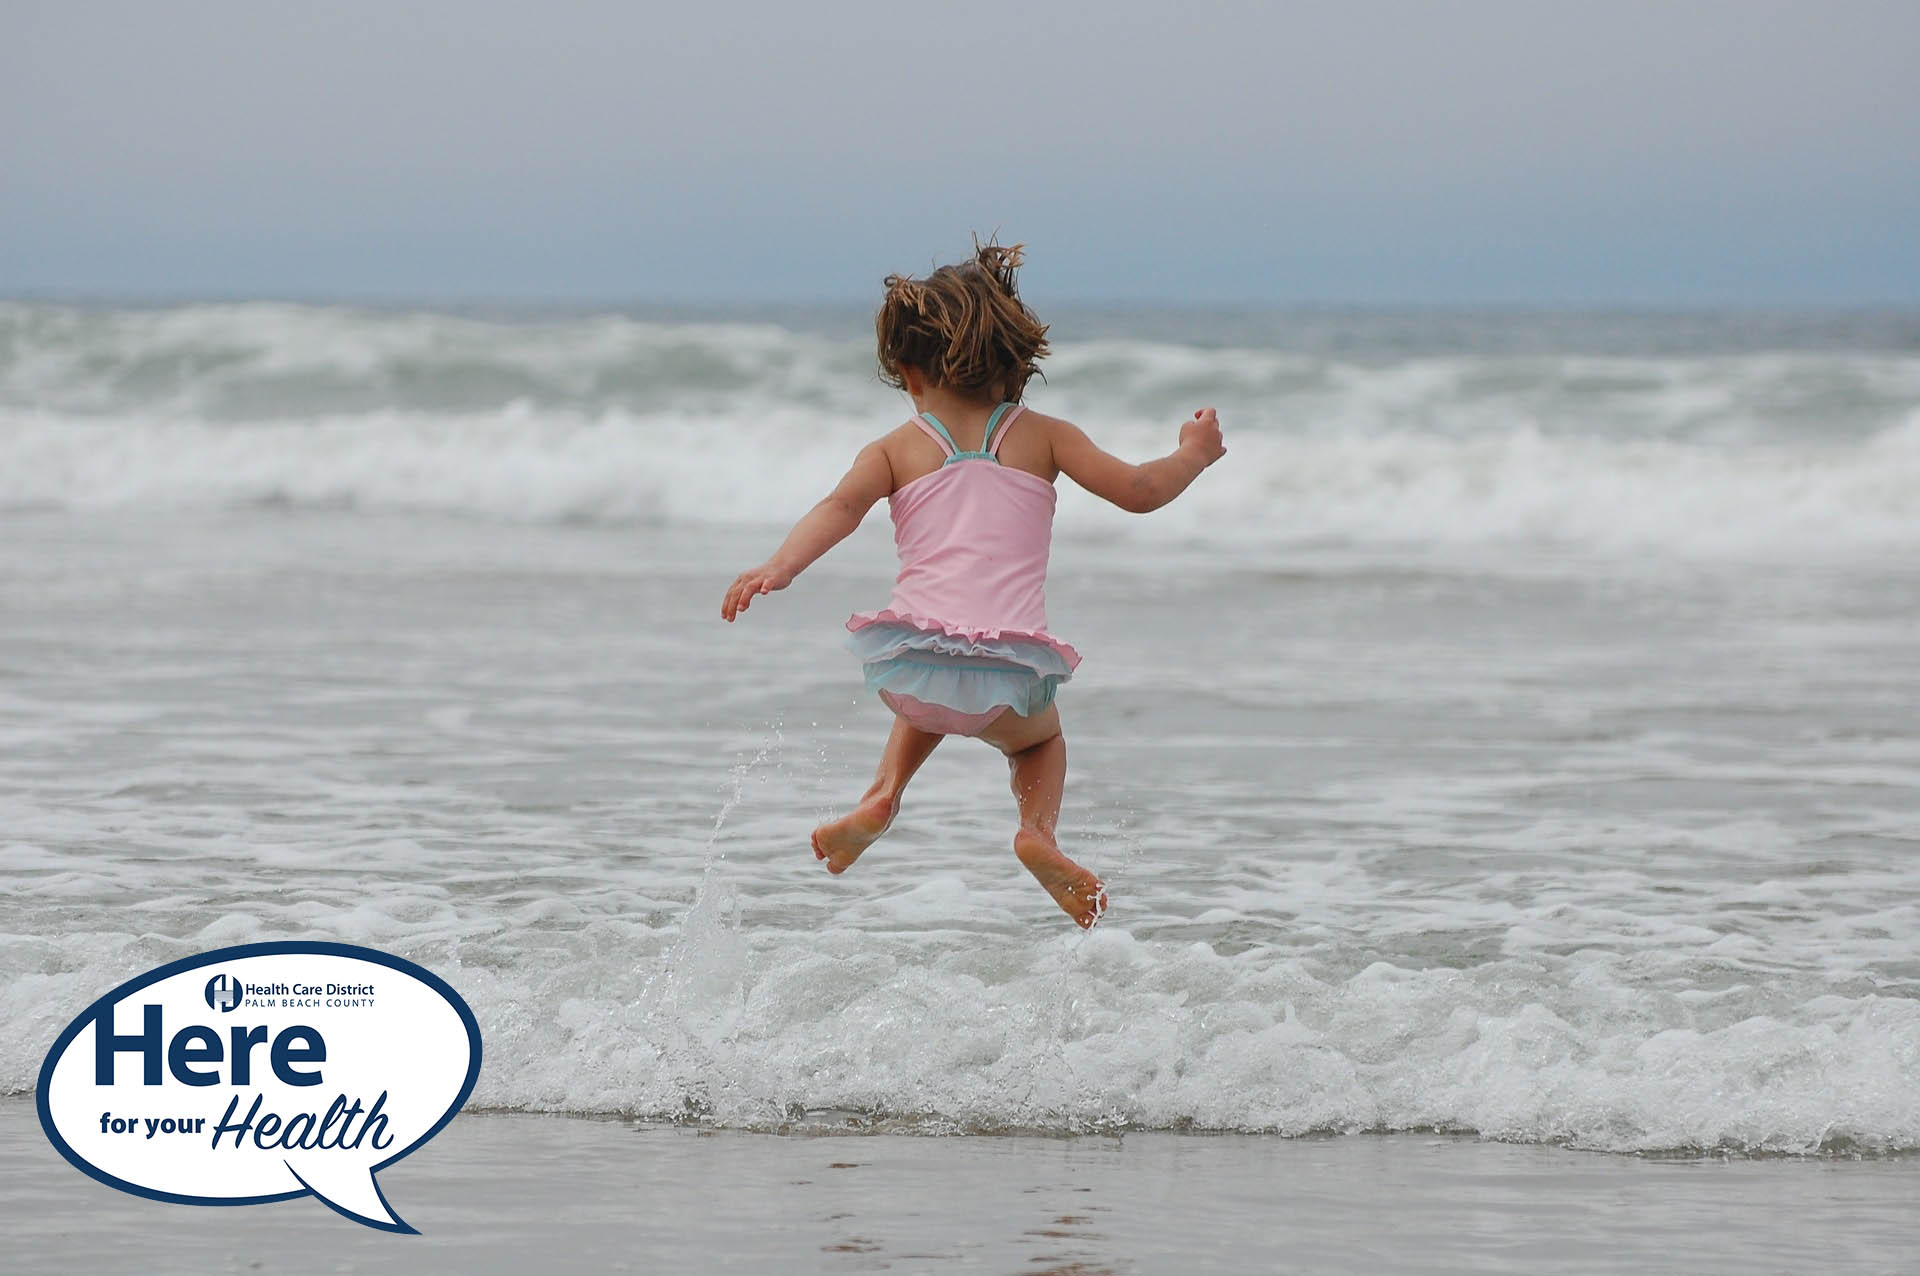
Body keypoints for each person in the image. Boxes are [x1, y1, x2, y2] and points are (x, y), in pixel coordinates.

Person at [721, 239, 1224, 926]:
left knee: (931, 686)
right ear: (1018, 363)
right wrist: (1192, 455)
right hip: (1007, 674)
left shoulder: (895, 448)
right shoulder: (1045, 436)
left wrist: (778, 566)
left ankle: (881, 798)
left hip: (910, 663)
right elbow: (1139, 491)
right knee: (1041, 743)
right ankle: (1037, 834)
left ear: (909, 372)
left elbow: (838, 509)